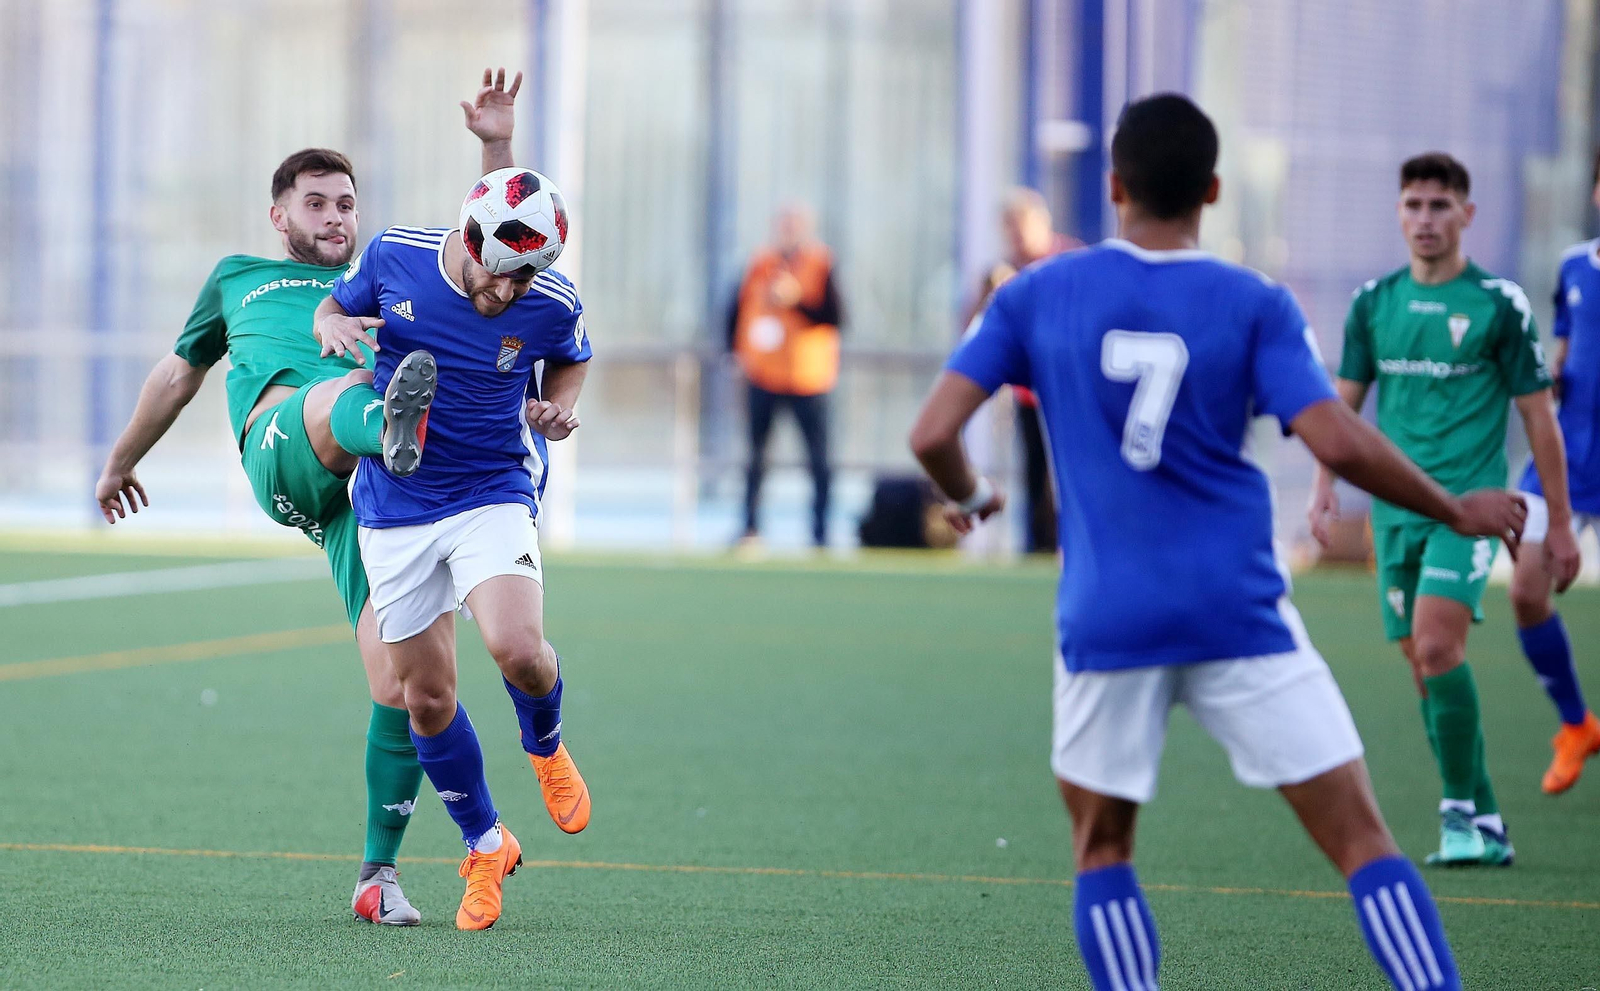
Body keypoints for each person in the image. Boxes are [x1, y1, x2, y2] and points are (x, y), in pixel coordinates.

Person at [911, 94, 1526, 991]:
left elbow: (932, 432)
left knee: (1103, 850)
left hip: (1109, 615)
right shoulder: (1253, 300)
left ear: (1114, 186)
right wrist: (1452, 507)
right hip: (1238, 609)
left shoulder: (1034, 291)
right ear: (1213, 189)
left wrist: (974, 494)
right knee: (1363, 840)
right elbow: (1336, 437)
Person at [93, 69, 523, 925]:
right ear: (279, 215)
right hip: (287, 443)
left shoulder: (384, 277)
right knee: (343, 392)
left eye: (346, 205)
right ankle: (390, 422)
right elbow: (177, 374)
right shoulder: (237, 278)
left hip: (369, 496)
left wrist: (496, 147)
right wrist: (119, 462)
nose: (335, 217)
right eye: (317, 203)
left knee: (413, 686)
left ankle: (377, 874)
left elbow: (497, 252)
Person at [313, 168, 592, 931]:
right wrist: (331, 325)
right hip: (395, 505)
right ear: (469, 240)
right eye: (499, 274)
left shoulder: (550, 299)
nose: (507, 292)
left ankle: (546, 745)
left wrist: (558, 407)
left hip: (491, 488)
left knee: (518, 648)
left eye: (524, 278)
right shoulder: (396, 255)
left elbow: (572, 355)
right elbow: (334, 306)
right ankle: (486, 845)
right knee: (426, 699)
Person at [1308, 153, 1579, 863]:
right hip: (1395, 511)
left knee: (1435, 645)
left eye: (1439, 205)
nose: (1425, 218)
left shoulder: (1498, 303)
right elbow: (1341, 407)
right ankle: (1486, 820)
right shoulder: (1374, 303)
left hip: (1472, 508)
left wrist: (1559, 522)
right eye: (1414, 204)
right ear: (1399, 213)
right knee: (1421, 662)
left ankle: (1457, 814)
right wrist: (1322, 483)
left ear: (1467, 214)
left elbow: (1540, 417)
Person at [1504, 154, 1600, 794]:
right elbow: (1564, 349)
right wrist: (1558, 373)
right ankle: (1576, 724)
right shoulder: (1573, 265)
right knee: (1525, 591)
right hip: (1567, 454)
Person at [962, 188, 1078, 553]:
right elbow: (972, 329)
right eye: (1008, 228)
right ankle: (1038, 545)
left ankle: (1075, 544)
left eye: (1019, 225)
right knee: (1035, 473)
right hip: (1030, 392)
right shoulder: (1003, 271)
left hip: (1073, 392)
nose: (1014, 235)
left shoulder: (1070, 261)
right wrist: (992, 294)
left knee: (1075, 472)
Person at [727, 203, 844, 548]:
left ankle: (820, 533)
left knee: (818, 460)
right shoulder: (761, 262)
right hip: (764, 375)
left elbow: (835, 316)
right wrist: (734, 354)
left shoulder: (821, 263)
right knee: (756, 458)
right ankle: (750, 528)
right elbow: (736, 310)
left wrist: (796, 300)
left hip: (808, 378)